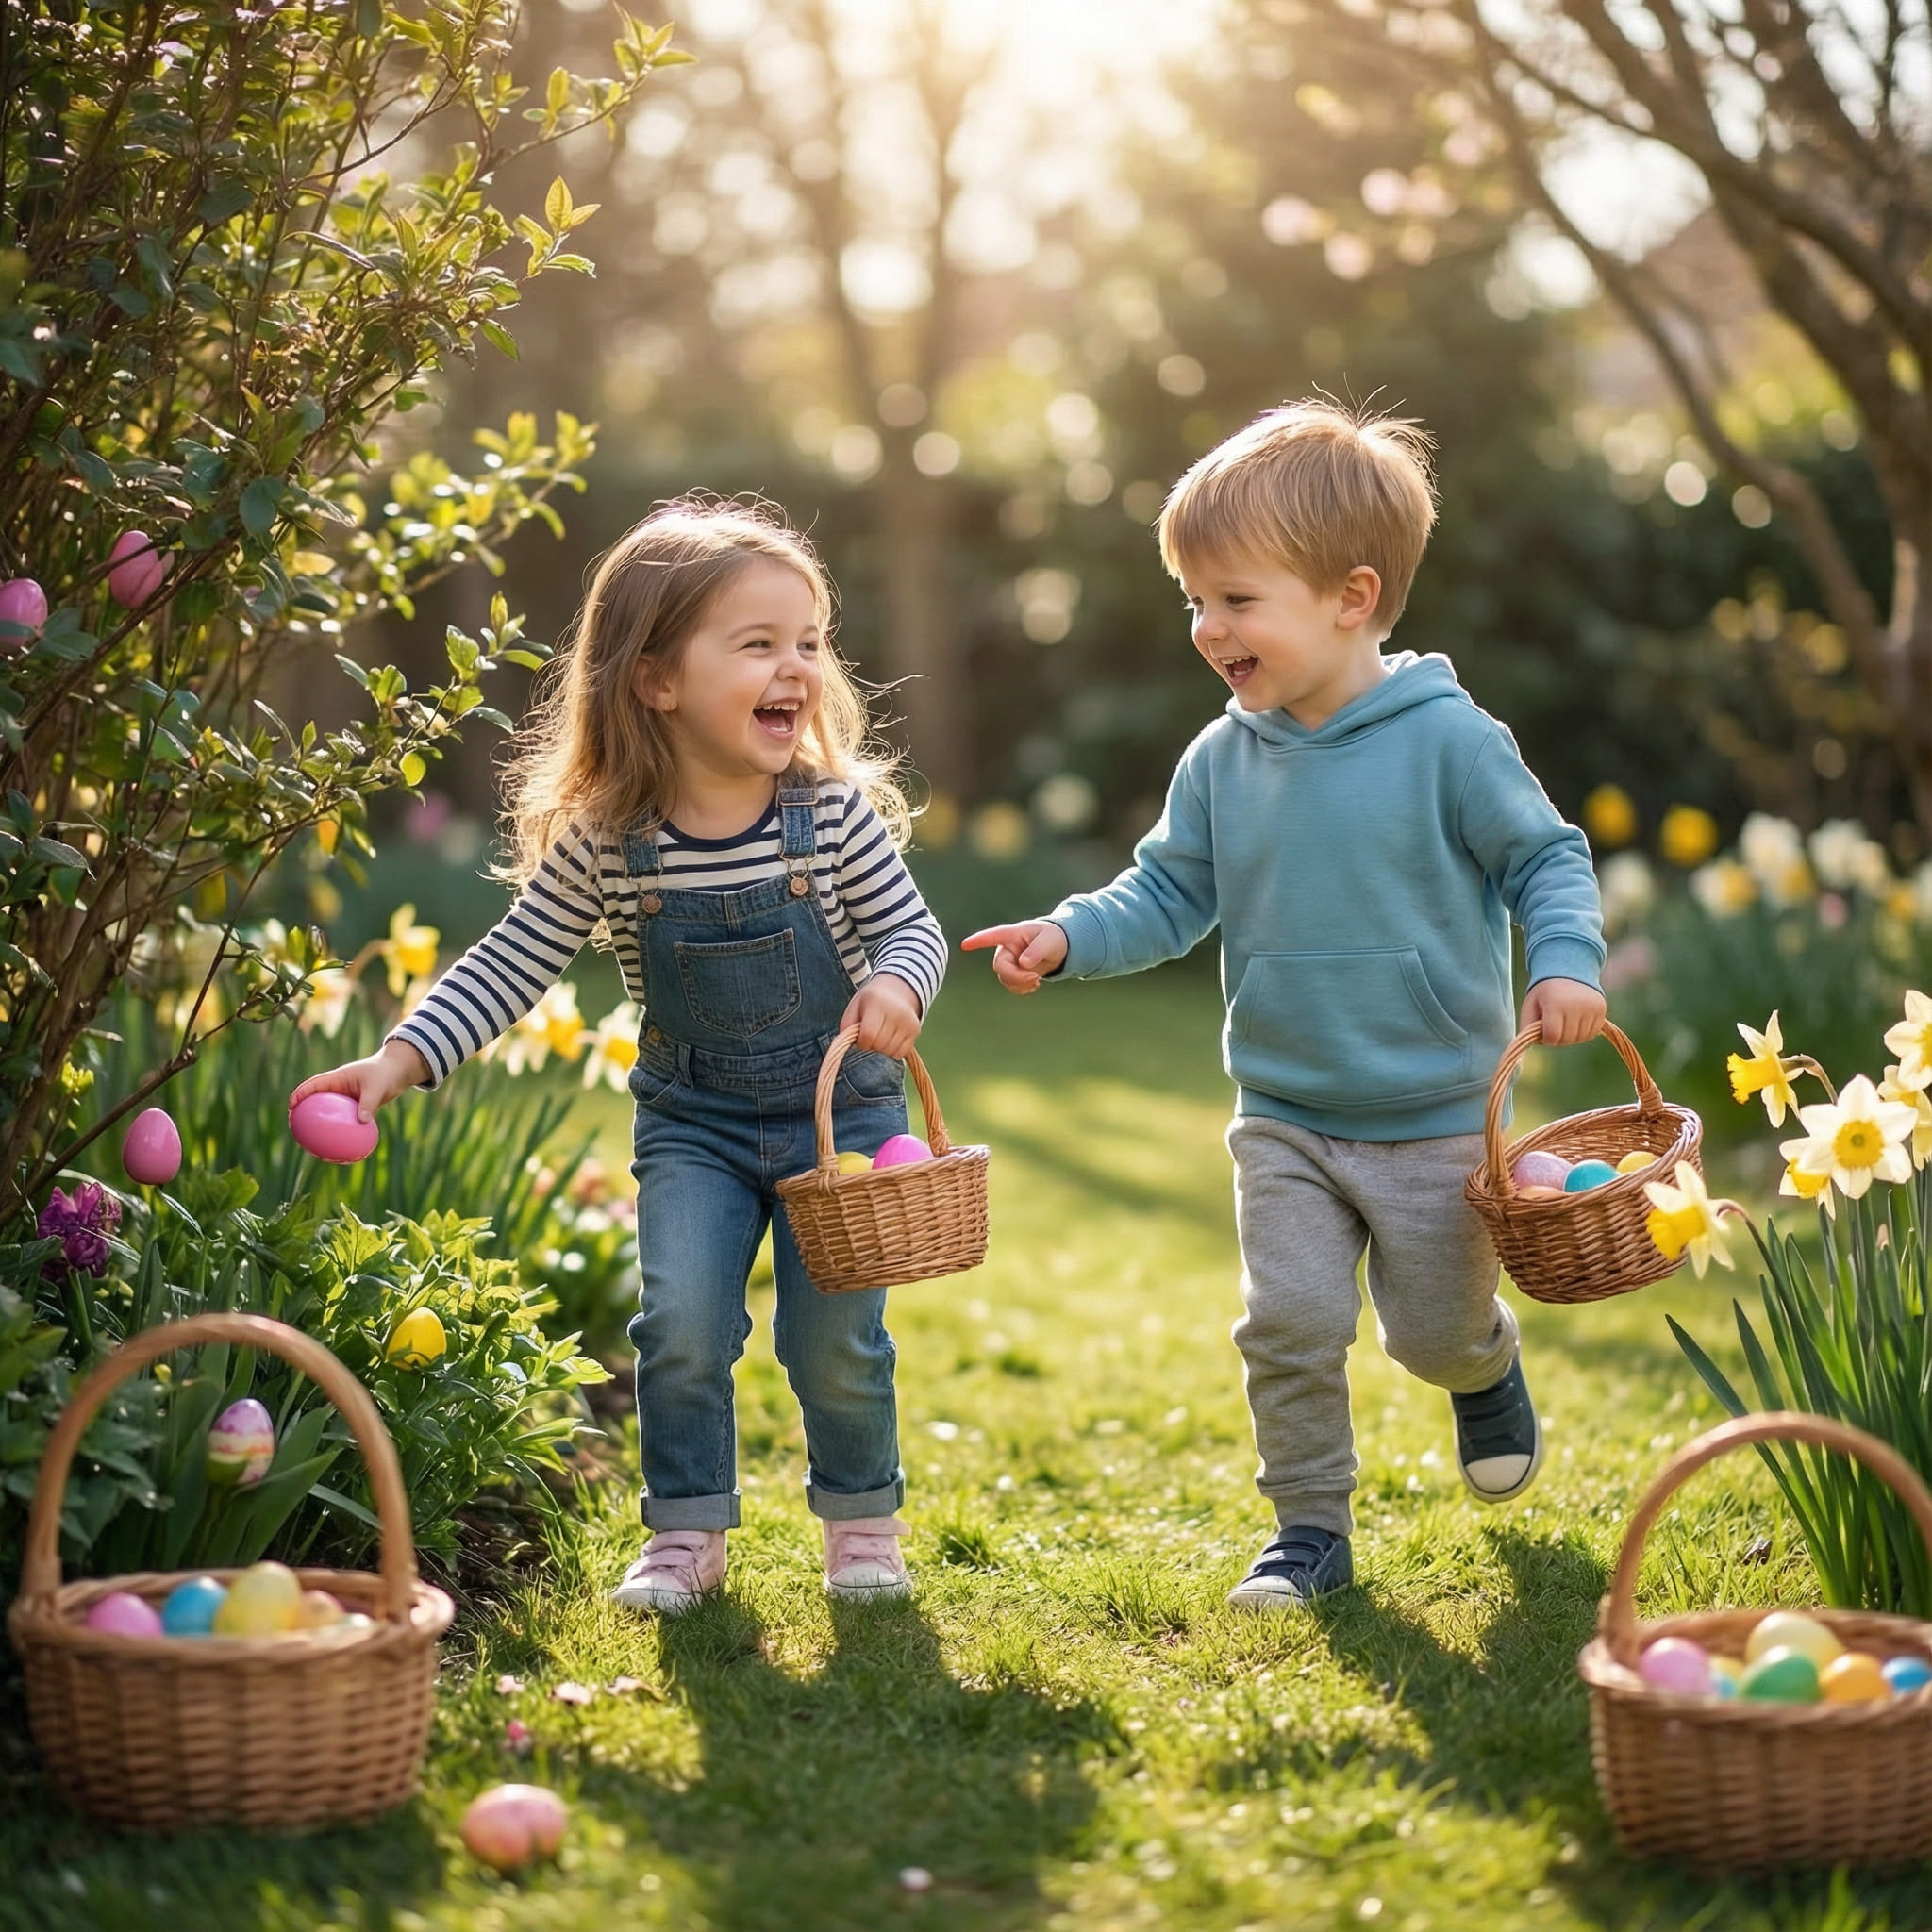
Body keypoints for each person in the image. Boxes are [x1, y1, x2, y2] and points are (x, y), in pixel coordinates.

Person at [964, 402, 1606, 1609]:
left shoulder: (1449, 743)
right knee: (1290, 1321)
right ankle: (1307, 1525)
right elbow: (1163, 892)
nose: (1208, 629)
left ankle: (1480, 1368)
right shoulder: (1222, 759)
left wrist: (1562, 962)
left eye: (1235, 599)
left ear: (1349, 597)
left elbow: (1545, 858)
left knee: (1427, 1331)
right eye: (1193, 602)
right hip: (1285, 1110)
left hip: (1431, 1115)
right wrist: (1066, 935)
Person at [291, 499, 947, 1612]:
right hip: (692, 1122)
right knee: (679, 1325)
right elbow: (509, 962)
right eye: (756, 643)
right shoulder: (609, 841)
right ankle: (686, 1532)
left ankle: (860, 1523)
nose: (794, 666)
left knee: (832, 1340)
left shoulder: (831, 818)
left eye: (807, 642)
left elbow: (912, 930)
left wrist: (894, 980)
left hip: (839, 1123)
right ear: (654, 679)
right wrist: (399, 1058)